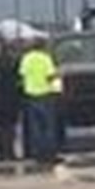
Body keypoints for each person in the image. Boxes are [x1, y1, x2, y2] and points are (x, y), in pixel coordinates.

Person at [18, 37, 63, 165]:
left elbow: (22, 75)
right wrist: (59, 75)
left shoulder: (26, 58)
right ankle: (50, 154)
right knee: (48, 126)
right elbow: (50, 76)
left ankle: (37, 154)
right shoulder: (45, 58)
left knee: (35, 127)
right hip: (46, 94)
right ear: (43, 46)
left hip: (31, 95)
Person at [0, 40, 22, 164]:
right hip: (11, 100)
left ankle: (1, 154)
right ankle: (10, 152)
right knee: (10, 128)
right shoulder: (12, 66)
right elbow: (17, 81)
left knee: (0, 128)